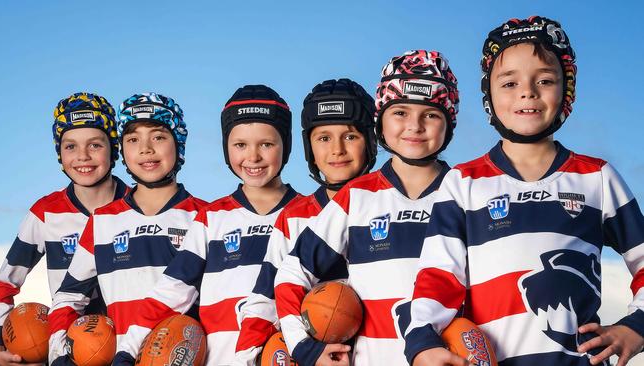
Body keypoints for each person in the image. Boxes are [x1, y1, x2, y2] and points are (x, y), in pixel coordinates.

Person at [405, 16, 644, 366]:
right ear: (488, 93)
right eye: (509, 82)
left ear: (567, 89)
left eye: (544, 80)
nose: (527, 91)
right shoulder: (462, 182)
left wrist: (636, 326)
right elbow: (439, 276)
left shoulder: (597, 177)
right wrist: (422, 341)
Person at [274, 50, 460, 365]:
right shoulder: (356, 195)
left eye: (430, 114)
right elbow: (293, 272)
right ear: (380, 121)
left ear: (449, 122)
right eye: (399, 112)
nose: (414, 126)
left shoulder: (465, 191)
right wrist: (304, 347)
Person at [113, 85, 301, 366]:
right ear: (226, 147)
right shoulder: (212, 218)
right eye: (240, 145)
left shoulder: (310, 215)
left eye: (266, 144)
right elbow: (172, 290)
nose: (253, 156)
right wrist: (127, 351)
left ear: (285, 145)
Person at [47, 93, 207, 365]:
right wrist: (59, 353)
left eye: (158, 137)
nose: (145, 148)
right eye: (133, 139)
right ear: (121, 149)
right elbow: (68, 297)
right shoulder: (102, 221)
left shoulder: (206, 216)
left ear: (178, 143)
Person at [233, 78, 378, 365]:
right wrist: (244, 360)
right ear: (308, 147)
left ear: (370, 140)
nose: (337, 149)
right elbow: (265, 301)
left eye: (350, 137)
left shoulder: (391, 203)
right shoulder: (295, 216)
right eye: (323, 138)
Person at [0, 92, 128, 366]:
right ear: (59, 152)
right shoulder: (46, 213)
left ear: (113, 148)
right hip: (69, 353)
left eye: (95, 145)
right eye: (70, 147)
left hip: (132, 348)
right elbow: (4, 284)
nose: (82, 156)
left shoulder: (140, 207)